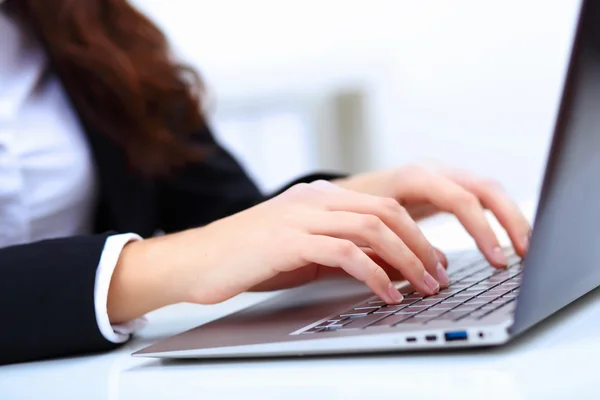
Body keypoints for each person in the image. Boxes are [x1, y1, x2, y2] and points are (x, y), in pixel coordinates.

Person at [0, 0, 530, 365]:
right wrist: (164, 266)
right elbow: (203, 249)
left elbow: (219, 212)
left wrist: (350, 199)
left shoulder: (78, 22)